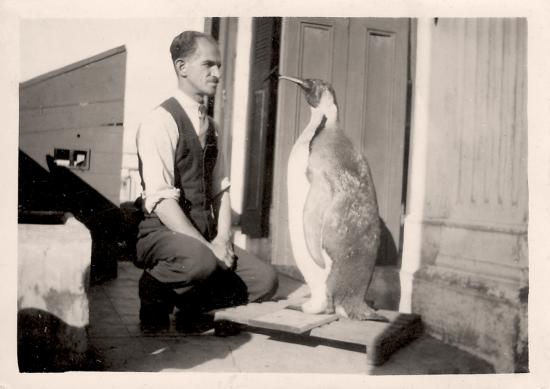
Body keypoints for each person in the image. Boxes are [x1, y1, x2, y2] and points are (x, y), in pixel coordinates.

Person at [134, 30, 278, 331]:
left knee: (266, 280)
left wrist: (223, 240)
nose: (217, 73)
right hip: (161, 234)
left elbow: (220, 189)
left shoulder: (211, 126)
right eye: (208, 65)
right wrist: (209, 249)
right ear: (182, 67)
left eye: (220, 66)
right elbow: (161, 201)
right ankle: (153, 289)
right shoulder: (159, 121)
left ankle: (194, 306)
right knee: (201, 261)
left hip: (204, 238)